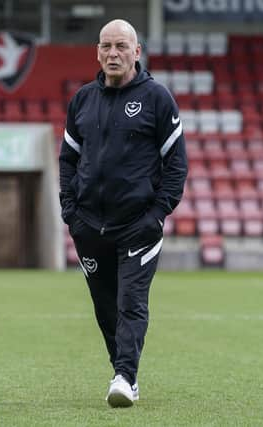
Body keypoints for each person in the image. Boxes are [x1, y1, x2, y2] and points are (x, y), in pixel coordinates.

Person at [58, 19, 187, 408]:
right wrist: (70, 211)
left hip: (138, 226)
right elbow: (67, 159)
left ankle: (125, 377)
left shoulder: (158, 99)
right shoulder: (82, 99)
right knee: (105, 307)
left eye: (120, 46)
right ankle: (123, 370)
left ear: (137, 52)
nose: (112, 54)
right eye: (105, 46)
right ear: (97, 52)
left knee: (131, 302)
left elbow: (176, 165)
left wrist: (156, 214)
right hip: (89, 227)